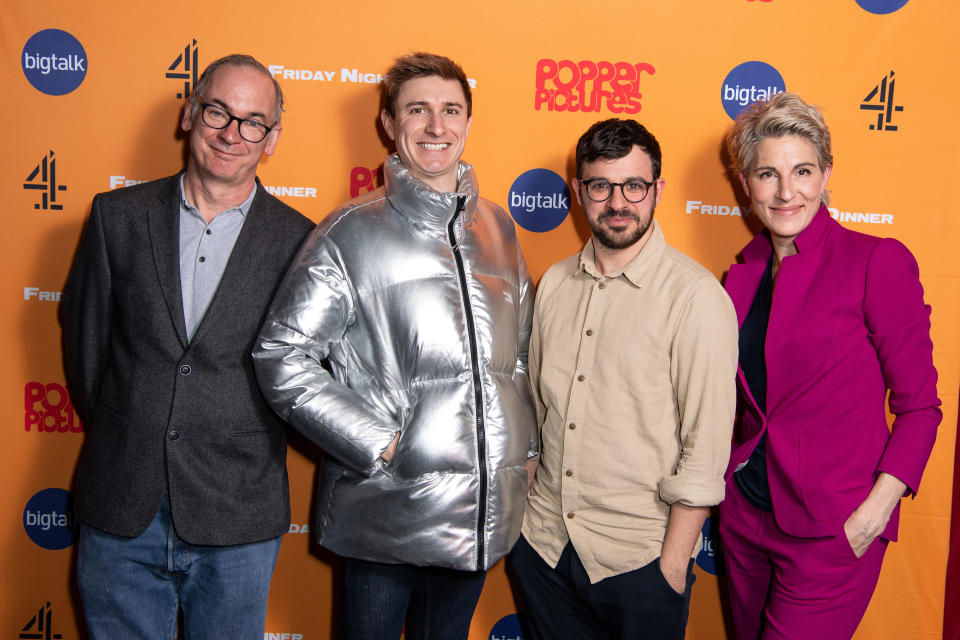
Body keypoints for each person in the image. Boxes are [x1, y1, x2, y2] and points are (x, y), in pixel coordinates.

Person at [252, 52, 538, 640]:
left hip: (476, 518)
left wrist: (523, 452)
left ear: (467, 121)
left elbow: (521, 356)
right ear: (388, 123)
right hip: (382, 513)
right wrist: (380, 444)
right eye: (418, 110)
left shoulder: (499, 228)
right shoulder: (348, 232)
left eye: (451, 110)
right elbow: (282, 355)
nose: (437, 127)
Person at [60, 54, 314, 640]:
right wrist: (134, 424)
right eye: (218, 112)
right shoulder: (115, 217)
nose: (232, 134)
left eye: (253, 122)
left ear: (271, 139)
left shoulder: (301, 240)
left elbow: (303, 376)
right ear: (189, 113)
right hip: (122, 501)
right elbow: (88, 353)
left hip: (239, 511)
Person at [719, 92, 942, 640]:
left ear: (826, 176)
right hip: (745, 520)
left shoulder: (875, 261)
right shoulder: (740, 276)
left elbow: (921, 408)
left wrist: (874, 514)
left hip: (832, 531)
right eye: (767, 174)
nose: (786, 191)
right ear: (747, 184)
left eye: (802, 171)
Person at [510, 118, 739, 640]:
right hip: (545, 548)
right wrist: (525, 529)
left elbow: (705, 449)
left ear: (657, 189)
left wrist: (672, 569)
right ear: (578, 192)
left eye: (634, 186)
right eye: (600, 186)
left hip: (639, 563)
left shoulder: (695, 298)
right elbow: (537, 415)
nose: (618, 202)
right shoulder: (554, 286)